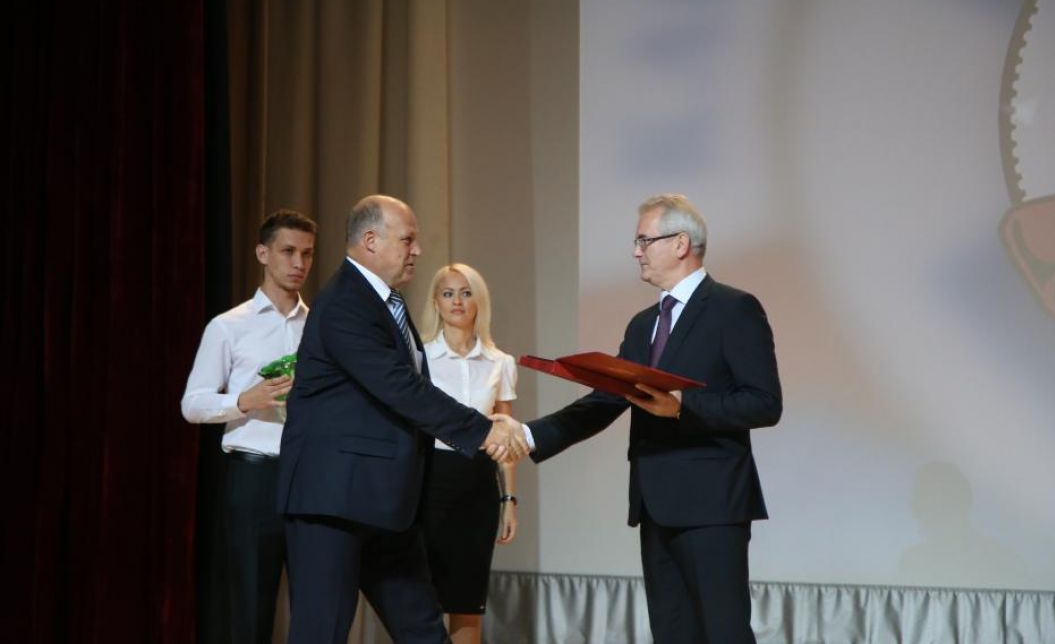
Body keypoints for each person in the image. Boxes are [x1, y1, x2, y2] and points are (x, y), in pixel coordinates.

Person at [526, 193, 782, 644]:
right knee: (672, 633)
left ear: (681, 243)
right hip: (655, 503)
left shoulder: (733, 308)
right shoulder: (644, 323)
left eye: (644, 240)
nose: (635, 251)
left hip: (711, 505)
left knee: (723, 632)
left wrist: (684, 406)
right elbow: (607, 400)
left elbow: (764, 402)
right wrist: (528, 435)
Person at [276, 194, 528, 644]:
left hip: (387, 503)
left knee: (423, 631)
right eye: (408, 240)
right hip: (333, 501)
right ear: (371, 241)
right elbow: (400, 387)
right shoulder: (345, 302)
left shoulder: (386, 301)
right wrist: (483, 428)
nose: (418, 250)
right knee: (321, 632)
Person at [181, 209, 317, 644]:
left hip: (312, 477)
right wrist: (243, 401)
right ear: (263, 253)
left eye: (307, 254)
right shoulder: (229, 326)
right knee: (250, 606)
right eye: (288, 251)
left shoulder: (320, 328)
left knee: (316, 605)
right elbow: (192, 404)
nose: (298, 263)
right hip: (254, 475)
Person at [418, 264, 519, 644]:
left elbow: (506, 439)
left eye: (466, 292)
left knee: (467, 598)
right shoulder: (420, 359)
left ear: (480, 300)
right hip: (428, 480)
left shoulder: (500, 362)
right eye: (448, 293)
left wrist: (509, 500)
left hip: (477, 484)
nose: (457, 301)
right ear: (435, 302)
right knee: (422, 599)